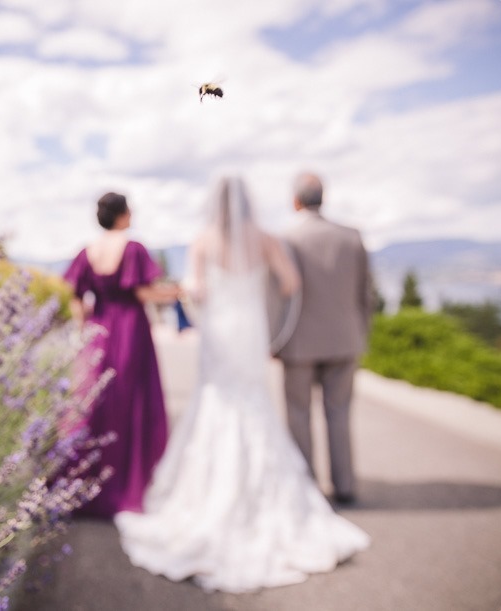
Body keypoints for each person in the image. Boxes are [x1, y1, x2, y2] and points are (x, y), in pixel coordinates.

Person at [114, 176, 369, 593]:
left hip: (220, 331)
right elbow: (291, 283)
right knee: (256, 402)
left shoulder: (203, 240)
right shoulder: (265, 238)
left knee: (219, 401)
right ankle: (319, 488)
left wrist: (203, 296)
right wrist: (259, 293)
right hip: (249, 330)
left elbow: (195, 289)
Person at [63, 191, 180, 518]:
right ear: (123, 214)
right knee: (132, 402)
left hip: (99, 332)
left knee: (96, 402)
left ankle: (86, 484)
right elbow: (143, 292)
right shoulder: (132, 248)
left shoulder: (87, 251)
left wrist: (84, 325)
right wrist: (175, 293)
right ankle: (129, 483)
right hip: (129, 331)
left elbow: (75, 296)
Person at [278, 172, 374, 505]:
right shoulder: (352, 236)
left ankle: (307, 487)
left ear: (295, 200)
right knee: (340, 413)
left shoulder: (286, 238)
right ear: (324, 197)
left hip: (298, 343)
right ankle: (345, 485)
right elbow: (367, 294)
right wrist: (361, 332)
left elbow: (278, 297)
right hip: (345, 339)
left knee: (298, 414)